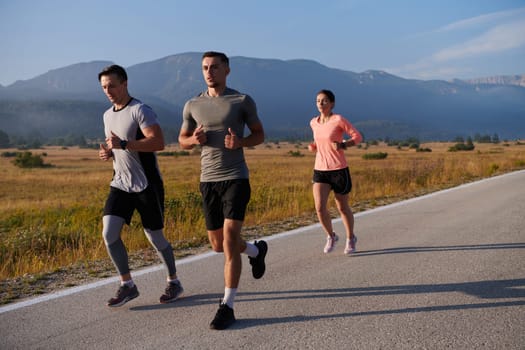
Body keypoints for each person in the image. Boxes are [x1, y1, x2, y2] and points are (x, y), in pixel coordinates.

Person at [178, 51, 268, 330]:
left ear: (227, 70)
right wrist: (192, 139)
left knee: (230, 237)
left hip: (236, 177)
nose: (209, 72)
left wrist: (240, 143)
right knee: (218, 245)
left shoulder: (241, 100)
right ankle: (255, 251)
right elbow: (181, 140)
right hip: (208, 181)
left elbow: (260, 134)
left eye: (215, 67)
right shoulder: (192, 104)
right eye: (205, 67)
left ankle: (227, 305)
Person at [98, 64, 183, 307]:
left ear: (124, 83)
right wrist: (110, 154)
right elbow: (118, 148)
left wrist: (124, 144)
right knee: (109, 233)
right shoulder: (107, 115)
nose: (108, 90)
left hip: (146, 185)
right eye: (104, 87)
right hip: (120, 184)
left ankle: (174, 281)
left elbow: (157, 142)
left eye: (112, 85)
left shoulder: (141, 110)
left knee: (155, 237)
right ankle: (127, 285)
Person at [308, 89, 363, 255]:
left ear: (332, 103)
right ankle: (331, 236)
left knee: (342, 207)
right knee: (319, 207)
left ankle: (351, 238)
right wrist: (314, 146)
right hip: (320, 170)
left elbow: (357, 136)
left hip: (339, 170)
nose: (320, 103)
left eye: (324, 101)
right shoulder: (313, 122)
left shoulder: (338, 120)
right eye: (318, 101)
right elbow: (320, 141)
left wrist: (343, 145)